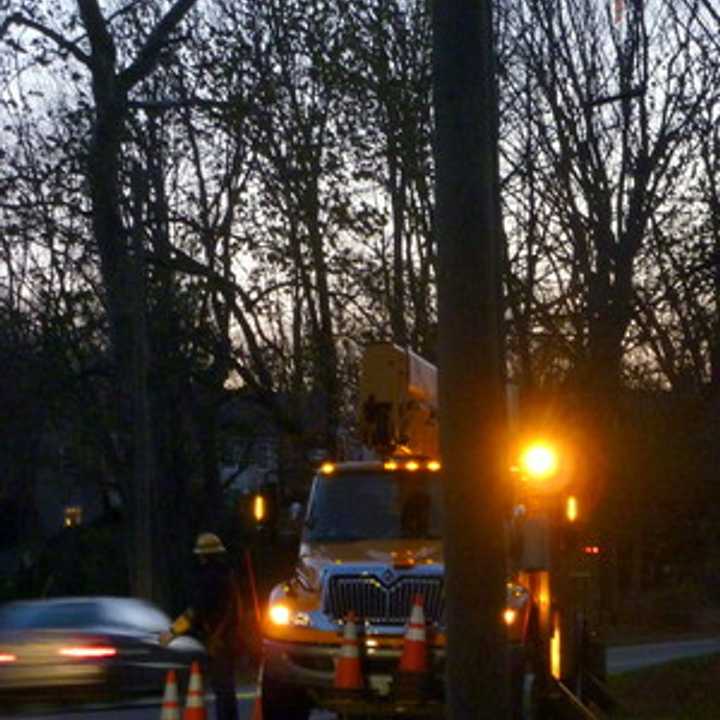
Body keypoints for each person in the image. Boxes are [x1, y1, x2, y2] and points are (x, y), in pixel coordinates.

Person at [160, 532, 244, 720]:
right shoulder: (227, 575)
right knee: (227, 688)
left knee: (221, 687)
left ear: (203, 555)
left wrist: (172, 632)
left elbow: (195, 611)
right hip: (230, 638)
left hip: (218, 640)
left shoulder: (208, 579)